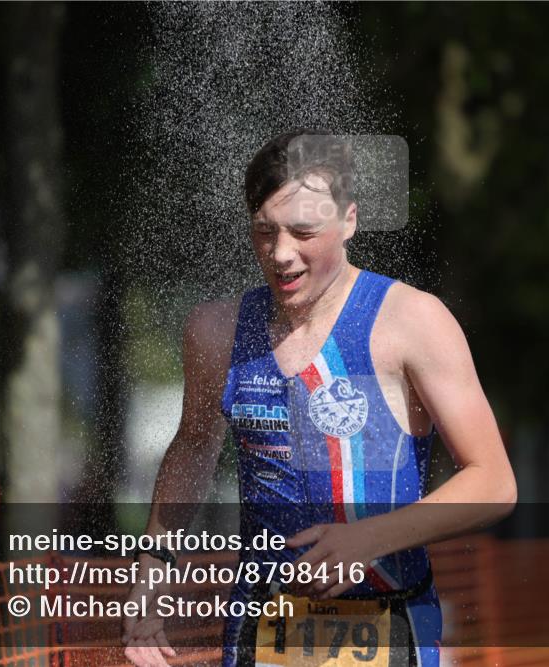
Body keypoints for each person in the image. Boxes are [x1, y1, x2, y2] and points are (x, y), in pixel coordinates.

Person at [123, 130, 516, 667]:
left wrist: (368, 540)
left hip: (389, 622)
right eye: (265, 231)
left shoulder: (412, 321)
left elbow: (494, 481)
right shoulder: (217, 331)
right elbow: (193, 448)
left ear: (349, 220)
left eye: (303, 232)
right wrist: (153, 569)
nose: (281, 254)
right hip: (261, 626)